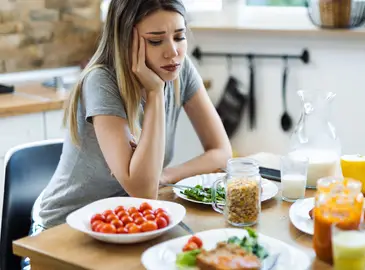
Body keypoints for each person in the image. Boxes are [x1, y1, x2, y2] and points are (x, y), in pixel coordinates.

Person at [22, 1, 232, 267]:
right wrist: (155, 94)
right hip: (62, 233)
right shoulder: (101, 81)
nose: (173, 52)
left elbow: (221, 151)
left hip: (126, 222)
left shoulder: (181, 68)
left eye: (179, 37)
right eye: (155, 41)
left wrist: (166, 175)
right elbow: (143, 190)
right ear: (126, 40)